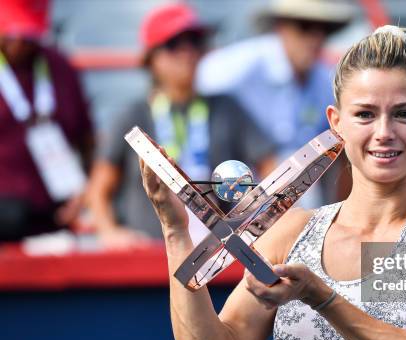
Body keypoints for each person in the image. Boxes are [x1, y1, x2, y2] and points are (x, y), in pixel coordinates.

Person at [141, 25, 406, 340]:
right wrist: (175, 231)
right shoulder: (292, 231)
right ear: (335, 122)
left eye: (404, 114)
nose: (384, 132)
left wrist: (320, 296)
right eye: (365, 114)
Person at [87, 3, 277, 248]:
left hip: (217, 256)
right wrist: (110, 233)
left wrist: (255, 218)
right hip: (149, 256)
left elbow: (271, 168)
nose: (187, 53)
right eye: (173, 44)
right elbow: (98, 190)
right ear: (151, 58)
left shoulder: (227, 108)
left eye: (195, 42)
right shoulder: (134, 116)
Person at [196, 0, 355, 207]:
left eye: (323, 30)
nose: (315, 38)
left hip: (302, 194)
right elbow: (200, 82)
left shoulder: (324, 80)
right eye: (304, 27)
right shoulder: (246, 63)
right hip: (244, 194)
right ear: (281, 27)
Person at [0, 0, 94, 241]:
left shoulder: (59, 68)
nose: (18, 40)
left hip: (54, 215)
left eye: (26, 34)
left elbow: (87, 140)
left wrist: (84, 193)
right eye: (11, 32)